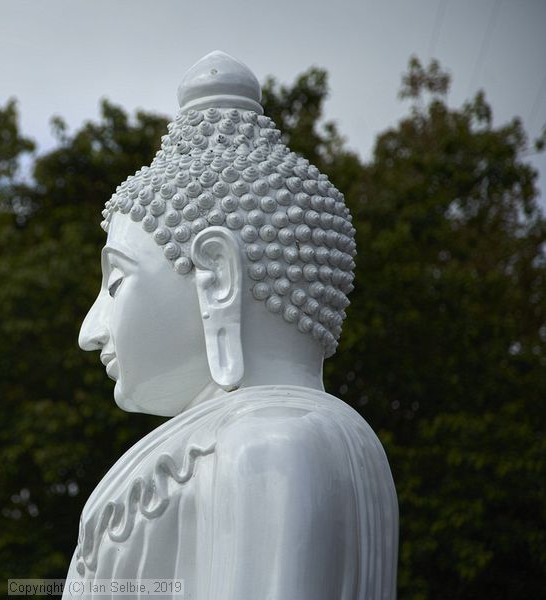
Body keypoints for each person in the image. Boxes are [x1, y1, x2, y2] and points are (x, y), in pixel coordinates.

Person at [62, 51, 398, 600]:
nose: (90, 330)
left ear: (217, 277)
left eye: (116, 282)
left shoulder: (266, 446)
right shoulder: (337, 442)